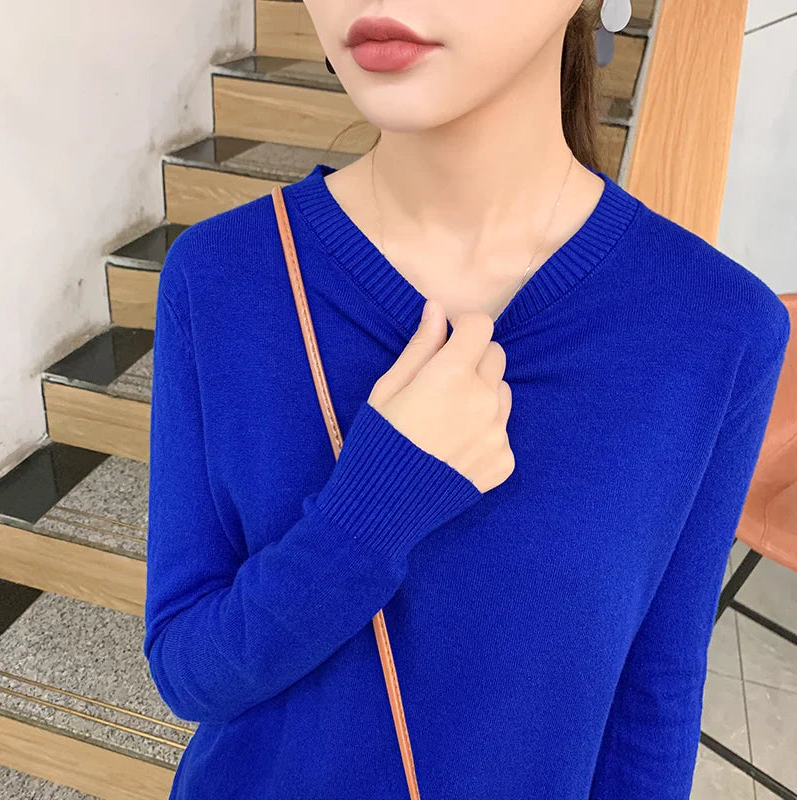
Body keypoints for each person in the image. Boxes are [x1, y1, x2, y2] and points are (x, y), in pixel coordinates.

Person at [143, 1, 791, 798]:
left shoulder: (717, 329)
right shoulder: (221, 277)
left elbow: (651, 705)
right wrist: (374, 509)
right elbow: (187, 670)